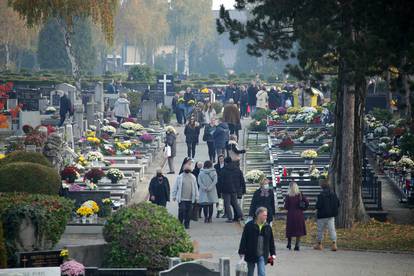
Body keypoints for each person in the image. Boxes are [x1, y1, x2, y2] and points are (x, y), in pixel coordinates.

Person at [239, 207, 276, 276]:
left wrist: (273, 254)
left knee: (262, 273)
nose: (266, 217)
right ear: (258, 215)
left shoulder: (268, 227)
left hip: (262, 254)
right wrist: (241, 252)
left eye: (266, 215)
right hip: (250, 253)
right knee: (250, 273)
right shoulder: (249, 226)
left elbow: (271, 242)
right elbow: (244, 239)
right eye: (264, 215)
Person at [172, 158, 199, 229]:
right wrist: (174, 195)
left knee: (188, 212)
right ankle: (180, 222)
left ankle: (187, 224)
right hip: (182, 198)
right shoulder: (180, 177)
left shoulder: (193, 177)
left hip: (190, 198)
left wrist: (196, 197)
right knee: (182, 210)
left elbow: (195, 187)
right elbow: (175, 187)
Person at [314, 179, 340, 251]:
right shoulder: (334, 194)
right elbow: (338, 203)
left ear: (322, 186)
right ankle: (334, 244)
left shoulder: (320, 195)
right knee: (332, 230)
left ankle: (319, 244)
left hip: (322, 215)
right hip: (331, 215)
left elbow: (318, 206)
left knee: (320, 230)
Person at [284, 182, 309, 251]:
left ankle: (289, 243)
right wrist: (304, 208)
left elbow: (286, 206)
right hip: (299, 214)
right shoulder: (300, 194)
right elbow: (307, 202)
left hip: (291, 214)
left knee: (290, 228)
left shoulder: (288, 196)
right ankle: (297, 245)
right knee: (299, 229)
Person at [221, 158, 245, 223]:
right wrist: (242, 189)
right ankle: (241, 215)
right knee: (235, 203)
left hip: (226, 190)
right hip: (235, 189)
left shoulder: (224, 170)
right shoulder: (237, 169)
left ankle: (230, 218)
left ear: (225, 162)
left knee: (227, 204)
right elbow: (241, 179)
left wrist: (220, 190)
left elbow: (221, 181)